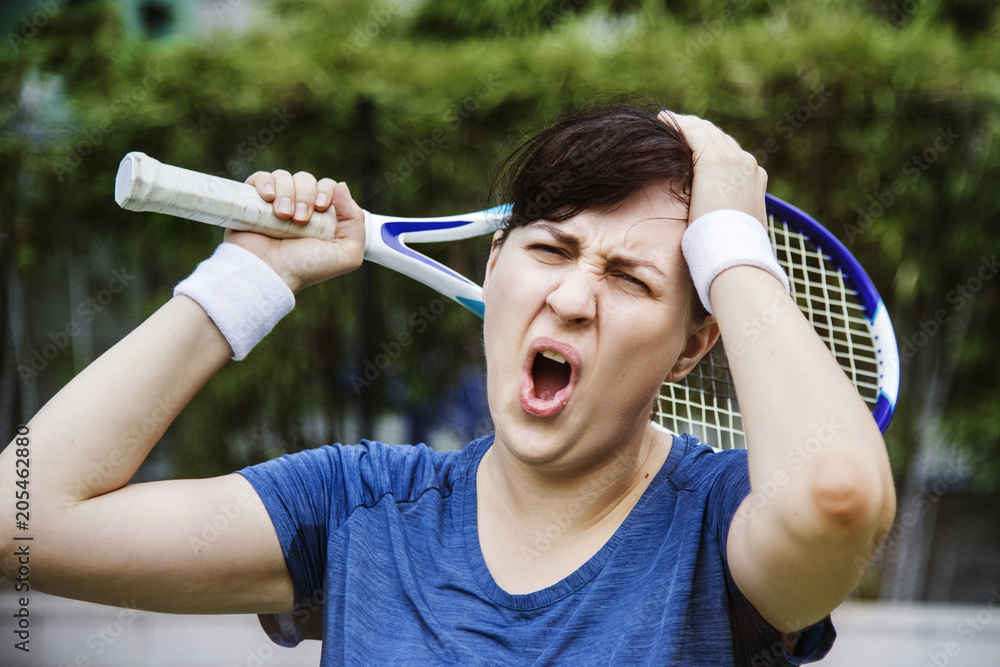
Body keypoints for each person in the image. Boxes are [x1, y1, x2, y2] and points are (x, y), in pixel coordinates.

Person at [1, 103, 895, 665]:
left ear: (693, 346)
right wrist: (240, 284)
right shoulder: (358, 506)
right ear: (495, 262)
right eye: (548, 248)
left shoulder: (719, 527)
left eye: (632, 280)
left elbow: (838, 495)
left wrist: (734, 247)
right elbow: (24, 518)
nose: (574, 296)